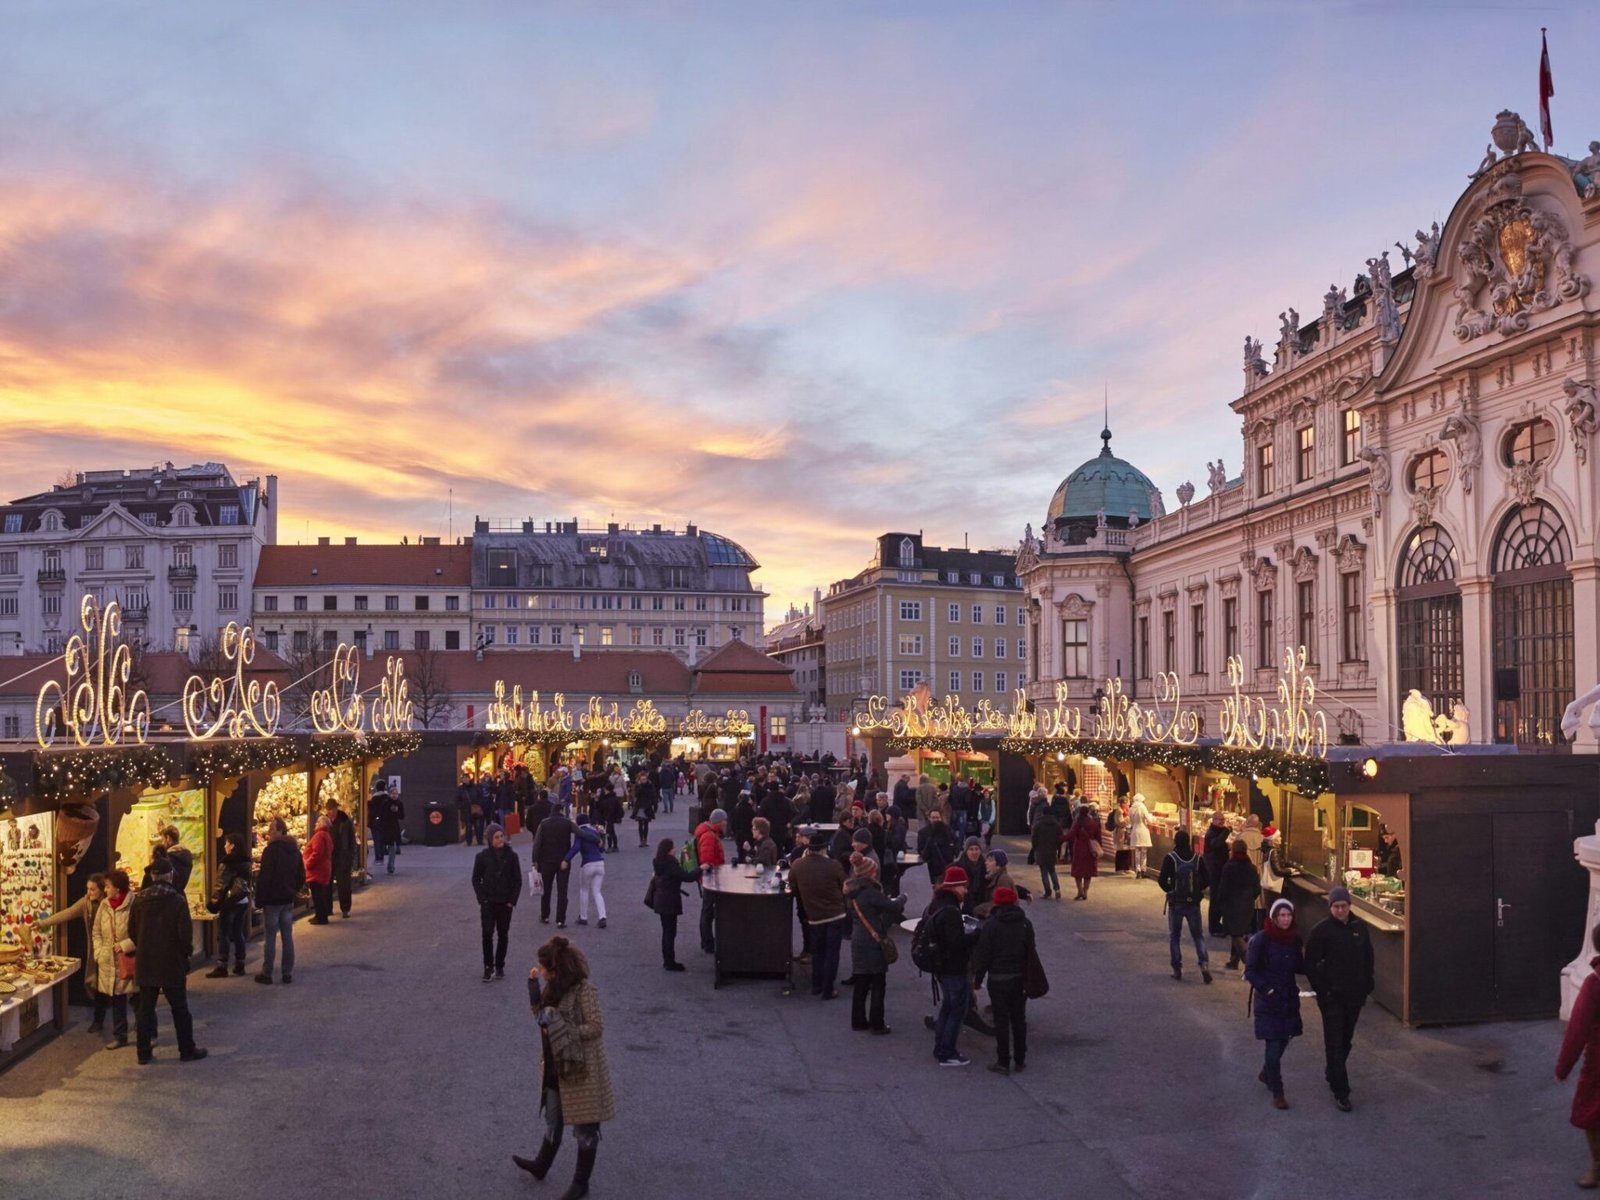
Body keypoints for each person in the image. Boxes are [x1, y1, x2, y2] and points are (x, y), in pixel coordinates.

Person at [512, 937, 615, 1198]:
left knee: (585, 1129)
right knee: (553, 1117)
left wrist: (565, 1031)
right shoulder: (551, 989)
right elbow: (542, 1019)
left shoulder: (584, 990)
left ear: (556, 971)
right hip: (555, 1065)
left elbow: (596, 1026)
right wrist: (533, 988)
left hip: (581, 1068)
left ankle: (581, 1184)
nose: (540, 971)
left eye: (543, 968)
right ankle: (541, 1165)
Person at [128, 855, 206, 1064]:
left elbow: (132, 931)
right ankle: (186, 1049)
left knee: (145, 1011)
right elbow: (185, 934)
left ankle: (143, 1053)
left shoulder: (140, 900)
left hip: (146, 961)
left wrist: (144, 946)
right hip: (171, 962)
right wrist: (185, 954)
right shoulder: (177, 900)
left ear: (153, 876)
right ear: (170, 876)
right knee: (179, 1008)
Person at [1304, 885, 1374, 1112]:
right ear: (1330, 907)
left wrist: (1367, 984)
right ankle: (1341, 1091)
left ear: (1349, 907)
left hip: (1354, 995)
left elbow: (1368, 957)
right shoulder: (1322, 931)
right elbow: (1311, 964)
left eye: (1344, 906)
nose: (1341, 910)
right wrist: (1322, 991)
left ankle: (1332, 1070)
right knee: (1334, 1042)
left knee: (1346, 1039)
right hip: (1332, 997)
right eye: (1336, 907)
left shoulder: (1359, 928)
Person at [1244, 897, 1306, 1110]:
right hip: (1269, 1000)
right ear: (1274, 917)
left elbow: (1298, 965)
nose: (1286, 919)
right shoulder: (1262, 940)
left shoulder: (1294, 939)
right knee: (1273, 1043)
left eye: (1288, 915)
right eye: (1282, 915)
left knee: (1284, 1039)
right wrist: (1267, 989)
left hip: (1288, 998)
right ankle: (1278, 1091)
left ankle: (1266, 1072)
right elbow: (1250, 970)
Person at [972, 885, 1035, 1075]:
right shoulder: (1025, 923)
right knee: (1019, 1019)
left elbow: (984, 956)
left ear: (997, 902)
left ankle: (1003, 1061)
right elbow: (1030, 952)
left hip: (998, 979)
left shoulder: (991, 925)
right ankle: (1021, 1059)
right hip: (1020, 978)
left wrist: (977, 981)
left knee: (1001, 1020)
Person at [923, 866, 979, 1067]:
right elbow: (955, 943)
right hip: (952, 968)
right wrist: (974, 935)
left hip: (940, 966)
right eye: (964, 886)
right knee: (957, 1010)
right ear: (955, 886)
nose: (966, 890)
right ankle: (947, 1053)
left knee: (947, 1007)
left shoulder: (937, 903)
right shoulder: (951, 910)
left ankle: (940, 1048)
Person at [844, 852, 905, 1034]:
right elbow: (892, 907)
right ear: (871, 872)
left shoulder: (852, 891)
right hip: (873, 940)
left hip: (858, 939)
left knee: (861, 982)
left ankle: (858, 1021)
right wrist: (902, 898)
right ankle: (877, 1024)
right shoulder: (870, 892)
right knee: (878, 982)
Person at [1558, 925, 1600, 1187]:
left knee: (1589, 1111)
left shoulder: (1594, 984)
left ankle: (1597, 1166)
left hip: (1598, 1063)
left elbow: (1577, 1030)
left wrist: (1563, 1068)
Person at [790, 835, 848, 999]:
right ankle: (828, 989)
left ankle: (816, 985)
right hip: (835, 914)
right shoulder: (833, 865)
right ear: (824, 848)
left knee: (818, 951)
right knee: (832, 952)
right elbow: (845, 884)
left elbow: (792, 884)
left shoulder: (797, 865)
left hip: (814, 916)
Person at [255, 817, 304, 985]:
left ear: (280, 831)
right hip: (287, 899)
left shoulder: (271, 851)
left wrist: (260, 899)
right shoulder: (294, 849)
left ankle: (267, 973)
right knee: (287, 936)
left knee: (270, 937)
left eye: (272, 829)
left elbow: (265, 877)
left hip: (273, 900)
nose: (269, 832)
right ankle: (287, 972)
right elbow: (301, 875)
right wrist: (293, 890)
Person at [1159, 829, 1212, 983]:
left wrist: (1171, 890)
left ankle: (1177, 968)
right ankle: (1204, 965)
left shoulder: (1170, 858)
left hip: (1176, 902)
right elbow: (1207, 879)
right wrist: (1196, 889)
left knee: (1175, 936)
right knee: (1198, 935)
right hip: (1193, 903)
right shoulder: (1197, 858)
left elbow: (1162, 880)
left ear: (1175, 841)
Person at [473, 823, 523, 981]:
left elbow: (517, 880)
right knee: (487, 934)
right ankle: (488, 966)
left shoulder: (512, 856)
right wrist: (482, 899)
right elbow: (476, 879)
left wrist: (511, 901)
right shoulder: (482, 857)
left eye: (502, 836)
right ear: (490, 839)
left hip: (505, 902)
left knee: (503, 934)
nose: (500, 839)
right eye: (496, 837)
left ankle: (500, 964)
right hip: (488, 902)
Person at [93, 872, 135, 1047]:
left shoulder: (134, 903)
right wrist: (99, 952)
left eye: (108, 886)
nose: (105, 889)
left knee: (138, 999)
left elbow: (142, 931)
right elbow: (96, 932)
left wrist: (126, 945)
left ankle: (149, 1032)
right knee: (117, 999)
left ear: (117, 887)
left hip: (129, 958)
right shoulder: (104, 905)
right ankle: (120, 1035)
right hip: (109, 960)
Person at [206, 833, 252, 977]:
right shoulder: (246, 862)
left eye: (226, 843)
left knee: (224, 933)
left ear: (232, 846)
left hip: (229, 902)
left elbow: (220, 885)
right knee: (238, 932)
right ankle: (240, 963)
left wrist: (213, 904)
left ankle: (222, 965)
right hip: (243, 901)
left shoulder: (227, 863)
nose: (224, 846)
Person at [1213, 839, 1262, 970]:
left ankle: (1249, 960)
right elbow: (1257, 888)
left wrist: (1220, 902)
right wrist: (1250, 899)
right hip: (1247, 905)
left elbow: (1223, 888)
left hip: (1231, 905)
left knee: (1235, 934)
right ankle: (1233, 961)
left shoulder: (1229, 867)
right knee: (1239, 932)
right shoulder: (1251, 868)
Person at [650, 839, 697, 971]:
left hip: (660, 899)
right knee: (670, 932)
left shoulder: (659, 862)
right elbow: (686, 877)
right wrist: (700, 869)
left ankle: (667, 960)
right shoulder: (671, 864)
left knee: (667, 930)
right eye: (673, 848)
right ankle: (670, 961)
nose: (675, 849)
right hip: (670, 900)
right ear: (669, 850)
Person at [532, 805, 577, 929]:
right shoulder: (567, 823)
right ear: (561, 811)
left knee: (546, 890)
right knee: (562, 891)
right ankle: (561, 920)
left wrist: (534, 860)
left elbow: (537, 844)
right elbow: (580, 833)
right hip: (563, 861)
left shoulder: (544, 823)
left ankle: (545, 915)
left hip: (547, 861)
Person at [694, 808, 728, 954]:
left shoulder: (709, 833)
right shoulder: (709, 836)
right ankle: (708, 942)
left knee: (707, 911)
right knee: (708, 911)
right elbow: (706, 860)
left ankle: (706, 941)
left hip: (710, 877)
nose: (726, 823)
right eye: (725, 821)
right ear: (720, 822)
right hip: (711, 878)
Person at [567, 815, 608, 929]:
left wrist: (566, 859)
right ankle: (602, 916)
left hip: (587, 863)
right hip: (600, 863)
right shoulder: (594, 831)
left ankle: (583, 917)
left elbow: (576, 847)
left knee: (584, 890)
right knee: (597, 892)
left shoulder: (580, 833)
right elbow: (601, 849)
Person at [322, 799, 356, 916]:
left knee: (343, 884)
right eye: (328, 810)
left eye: (331, 809)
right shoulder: (325, 821)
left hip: (342, 857)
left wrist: (350, 857)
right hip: (329, 857)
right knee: (327, 884)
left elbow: (352, 841)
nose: (330, 812)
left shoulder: (345, 821)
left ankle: (345, 908)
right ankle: (327, 909)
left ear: (336, 809)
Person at [1202, 810, 1232, 936]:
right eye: (1219, 820)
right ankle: (1214, 927)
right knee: (1215, 899)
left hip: (1220, 869)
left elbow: (1220, 845)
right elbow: (1215, 844)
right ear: (1213, 820)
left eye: (1223, 820)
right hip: (1214, 870)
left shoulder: (1217, 831)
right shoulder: (1211, 833)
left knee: (1220, 898)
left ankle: (1217, 924)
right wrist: (1226, 831)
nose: (1221, 822)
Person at [303, 815, 334, 925]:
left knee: (317, 895)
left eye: (317, 822)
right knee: (319, 894)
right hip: (323, 868)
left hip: (317, 870)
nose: (315, 824)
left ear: (321, 824)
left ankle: (321, 917)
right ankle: (319, 915)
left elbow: (317, 853)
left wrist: (308, 863)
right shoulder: (326, 835)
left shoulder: (319, 836)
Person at [917, 809, 960, 889]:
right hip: (932, 868)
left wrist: (954, 852)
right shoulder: (923, 832)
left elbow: (956, 841)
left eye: (937, 817)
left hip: (947, 865)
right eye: (933, 818)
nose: (936, 820)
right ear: (929, 818)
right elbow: (920, 850)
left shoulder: (947, 829)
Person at [1068, 802, 1102, 901]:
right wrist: (1099, 848)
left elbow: (1071, 834)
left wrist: (1061, 839)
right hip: (1090, 850)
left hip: (1079, 848)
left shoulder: (1077, 822)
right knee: (1088, 872)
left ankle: (1080, 891)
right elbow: (1098, 837)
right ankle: (1085, 891)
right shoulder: (1093, 823)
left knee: (1078, 872)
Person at [1030, 801, 1063, 900]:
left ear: (1043, 813)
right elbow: (1060, 838)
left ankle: (1048, 892)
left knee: (1044, 872)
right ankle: (1057, 889)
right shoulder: (1057, 825)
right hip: (1052, 850)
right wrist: (1057, 847)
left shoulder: (1038, 824)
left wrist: (1034, 848)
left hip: (1041, 850)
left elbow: (1034, 838)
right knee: (1052, 870)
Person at [371, 785, 405, 875]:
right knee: (385, 844)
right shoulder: (386, 803)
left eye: (396, 794)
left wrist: (396, 811)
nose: (394, 795)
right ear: (389, 794)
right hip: (386, 827)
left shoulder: (399, 804)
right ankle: (380, 857)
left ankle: (390, 866)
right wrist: (391, 812)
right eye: (393, 793)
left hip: (394, 827)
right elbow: (383, 814)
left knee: (392, 847)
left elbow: (402, 816)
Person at [1128, 792, 1154, 878]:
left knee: (1137, 851)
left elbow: (1130, 821)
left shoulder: (1131, 808)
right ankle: (1143, 870)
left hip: (1135, 830)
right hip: (1143, 830)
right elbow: (1149, 820)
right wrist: (1153, 818)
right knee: (1144, 852)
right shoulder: (1142, 807)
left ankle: (1138, 870)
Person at [630, 772, 657, 848]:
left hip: (647, 806)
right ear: (640, 780)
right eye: (642, 779)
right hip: (640, 806)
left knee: (646, 824)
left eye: (644, 779)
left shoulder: (650, 786)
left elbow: (653, 795)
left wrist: (653, 804)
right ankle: (641, 840)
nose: (643, 781)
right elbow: (636, 795)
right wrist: (640, 787)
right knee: (640, 823)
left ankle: (645, 839)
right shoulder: (638, 786)